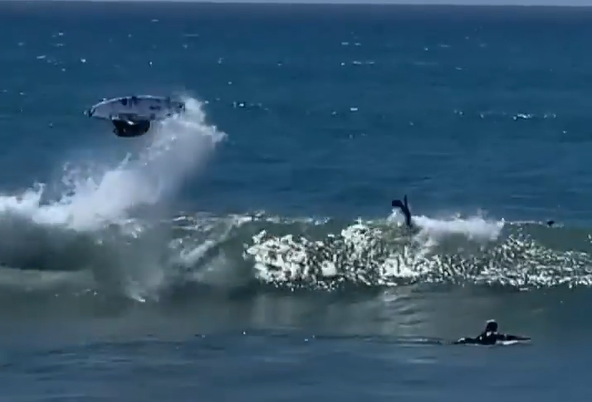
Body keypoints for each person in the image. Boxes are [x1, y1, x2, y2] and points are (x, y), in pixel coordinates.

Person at [454, 319, 530, 345]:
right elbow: (509, 337)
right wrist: (523, 338)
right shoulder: (494, 334)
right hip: (479, 343)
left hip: (471, 341)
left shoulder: (484, 333)